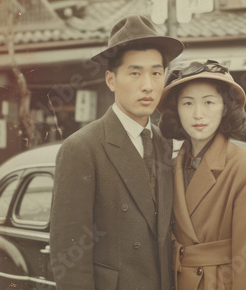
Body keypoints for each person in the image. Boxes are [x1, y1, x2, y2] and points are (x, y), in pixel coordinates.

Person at [49, 15, 184, 290]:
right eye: (135, 73)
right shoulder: (81, 148)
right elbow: (69, 258)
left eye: (156, 73)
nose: (148, 85)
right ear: (111, 80)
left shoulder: (164, 142)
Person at [157, 60, 246, 290]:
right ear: (176, 110)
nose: (198, 114)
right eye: (187, 103)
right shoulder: (172, 165)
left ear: (225, 107)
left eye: (209, 102)